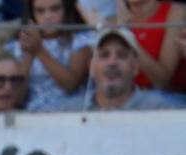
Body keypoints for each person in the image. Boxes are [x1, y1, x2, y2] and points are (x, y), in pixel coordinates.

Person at [51, 26, 186, 109]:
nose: (112, 62)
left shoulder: (161, 110)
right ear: (91, 67)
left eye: (122, 55)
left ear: (135, 67)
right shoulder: (68, 112)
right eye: (104, 55)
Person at [7, 0, 92, 111]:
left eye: (55, 9)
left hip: (70, 112)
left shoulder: (80, 40)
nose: (48, 16)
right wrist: (28, 54)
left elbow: (70, 84)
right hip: (30, 114)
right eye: (40, 11)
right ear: (32, 13)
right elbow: (16, 97)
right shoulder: (15, 46)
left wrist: (39, 50)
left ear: (66, 9)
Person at [114, 0, 184, 90]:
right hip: (127, 97)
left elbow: (163, 81)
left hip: (167, 98)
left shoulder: (175, 12)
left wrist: (126, 35)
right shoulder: (115, 20)